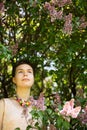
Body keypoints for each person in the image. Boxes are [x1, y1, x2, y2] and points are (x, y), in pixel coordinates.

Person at [0, 59, 43, 130]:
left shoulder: (40, 110)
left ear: (33, 78)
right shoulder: (4, 104)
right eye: (20, 72)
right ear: (14, 79)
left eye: (29, 72)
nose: (25, 74)